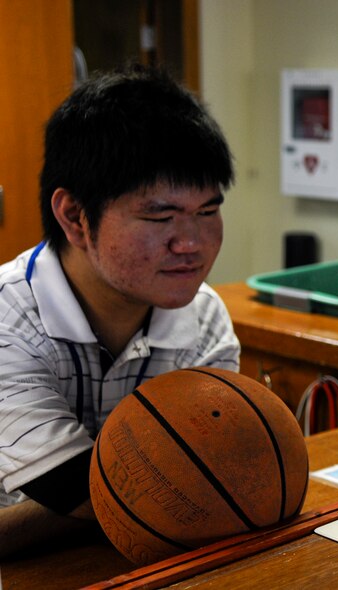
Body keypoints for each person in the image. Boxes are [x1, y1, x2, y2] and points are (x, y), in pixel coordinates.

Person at [0, 64, 241, 557]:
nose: (191, 243)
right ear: (74, 216)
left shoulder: (205, 316)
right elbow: (74, 489)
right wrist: (190, 487)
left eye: (208, 211)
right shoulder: (8, 318)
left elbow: (219, 470)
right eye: (159, 215)